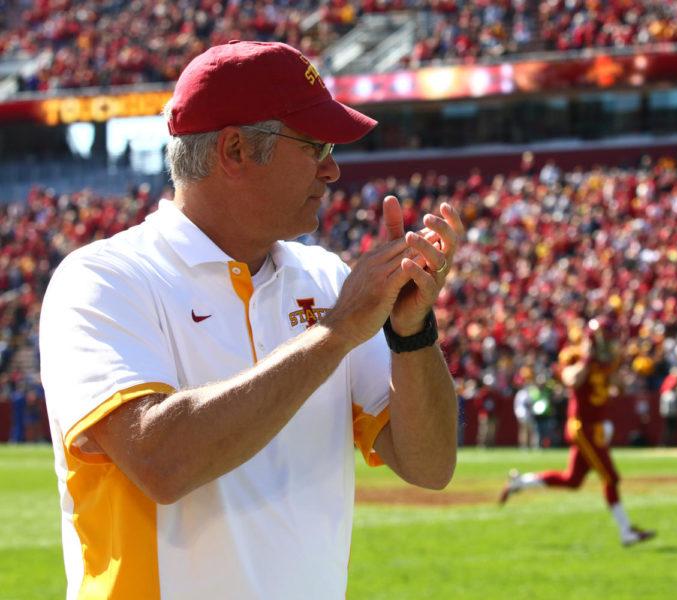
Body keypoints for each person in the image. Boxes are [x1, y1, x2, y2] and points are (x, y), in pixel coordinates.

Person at [39, 41, 462, 600]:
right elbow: (162, 461)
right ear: (234, 150)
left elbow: (431, 465)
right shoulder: (103, 278)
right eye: (315, 145)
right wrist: (335, 333)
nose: (333, 169)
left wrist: (413, 333)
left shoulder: (328, 278)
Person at [499, 318, 655, 547]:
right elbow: (571, 379)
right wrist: (588, 359)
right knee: (610, 477)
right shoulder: (575, 357)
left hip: (596, 427)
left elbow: (618, 387)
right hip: (583, 427)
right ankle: (626, 532)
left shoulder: (605, 362)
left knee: (572, 480)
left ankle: (520, 482)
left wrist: (613, 366)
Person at [658, 365, 677, 447]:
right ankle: (668, 443)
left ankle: (668, 442)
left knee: (670, 424)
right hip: (670, 400)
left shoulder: (669, 379)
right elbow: (671, 389)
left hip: (668, 399)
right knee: (670, 424)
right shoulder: (673, 378)